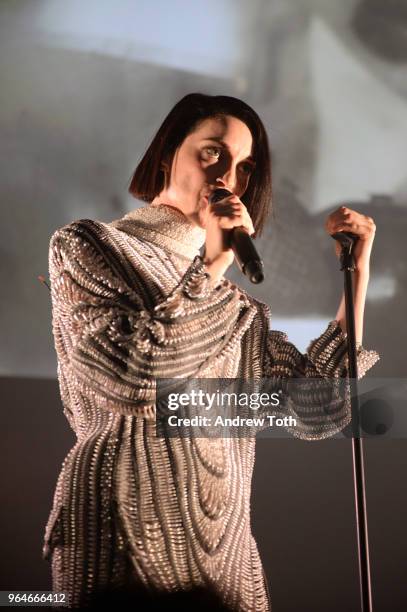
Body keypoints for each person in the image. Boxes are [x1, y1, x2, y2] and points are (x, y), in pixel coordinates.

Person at [43, 93, 379, 610]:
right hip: (122, 527)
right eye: (212, 152)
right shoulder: (89, 244)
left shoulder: (232, 305)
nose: (229, 175)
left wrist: (355, 280)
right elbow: (132, 377)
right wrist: (213, 267)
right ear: (165, 155)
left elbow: (318, 410)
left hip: (225, 546)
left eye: (245, 167)